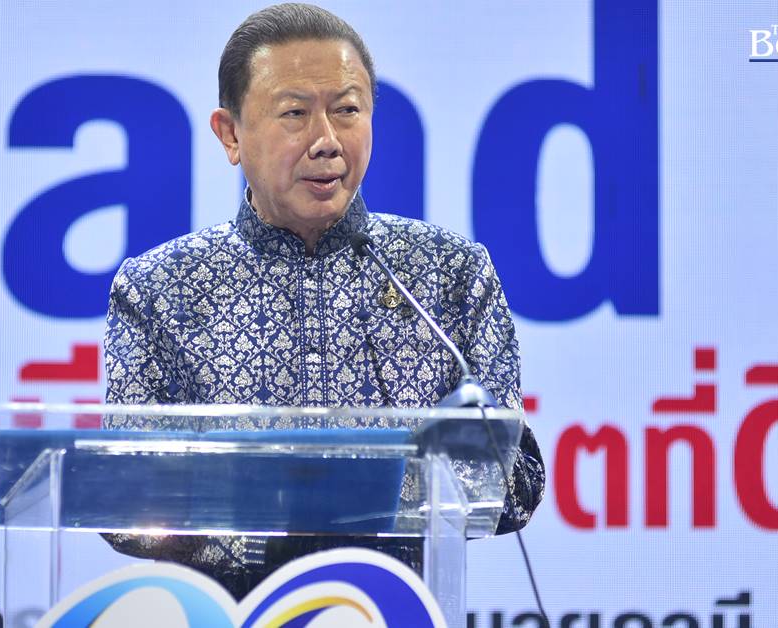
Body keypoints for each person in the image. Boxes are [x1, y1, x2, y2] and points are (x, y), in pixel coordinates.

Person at [103, 2, 544, 599]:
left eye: (347, 111)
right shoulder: (160, 288)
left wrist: (360, 491)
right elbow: (126, 499)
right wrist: (283, 499)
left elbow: (515, 483)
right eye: (295, 113)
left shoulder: (449, 274)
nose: (327, 141)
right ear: (230, 133)